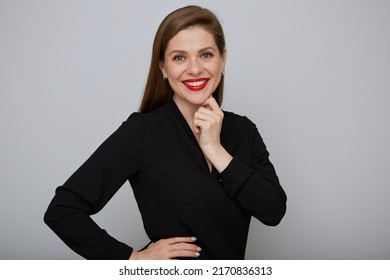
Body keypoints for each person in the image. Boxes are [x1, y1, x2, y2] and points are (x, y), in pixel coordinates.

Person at [44, 5, 287, 260]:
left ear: (223, 58)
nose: (194, 69)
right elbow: (62, 211)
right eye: (179, 57)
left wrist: (215, 150)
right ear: (162, 67)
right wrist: (133, 259)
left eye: (205, 55)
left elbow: (273, 211)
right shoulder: (142, 132)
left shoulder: (244, 131)